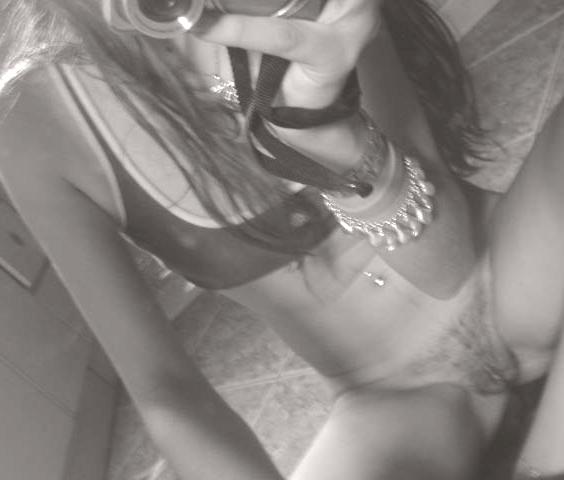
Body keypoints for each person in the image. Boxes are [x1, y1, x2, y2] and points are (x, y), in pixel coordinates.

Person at [1, 0, 563, 479]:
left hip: (505, 265)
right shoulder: (31, 125)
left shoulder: (299, 9)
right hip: (392, 399)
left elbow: (448, 265)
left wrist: (333, 136)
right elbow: (168, 393)